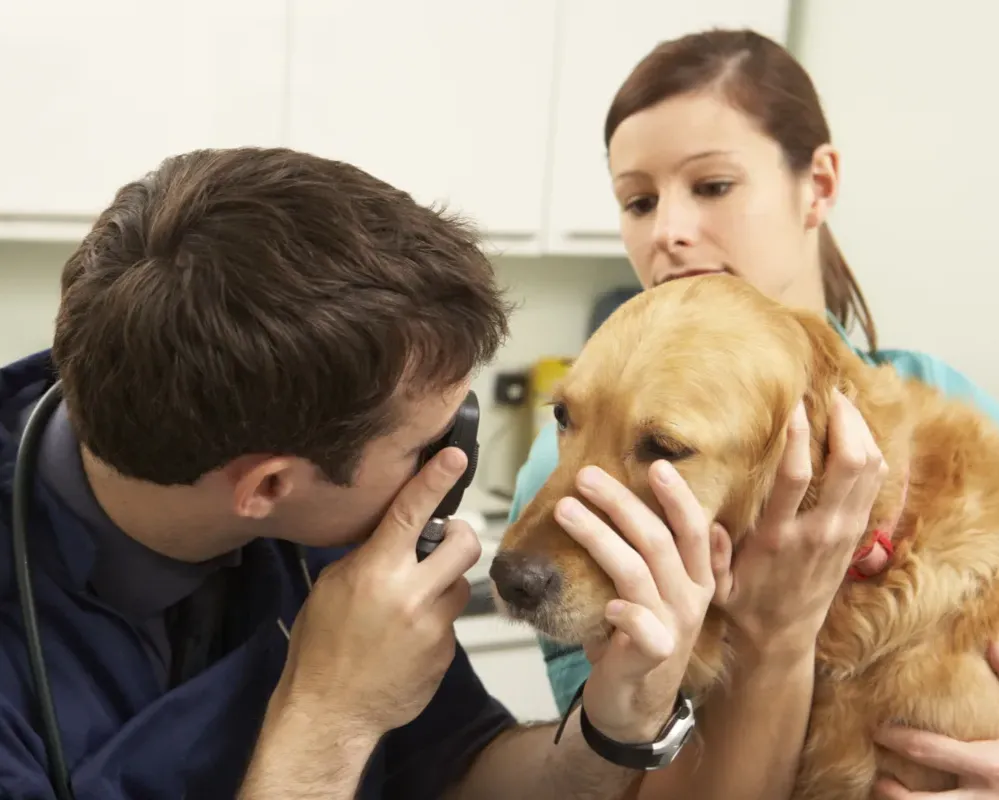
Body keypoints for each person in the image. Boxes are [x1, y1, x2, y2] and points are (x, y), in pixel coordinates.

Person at [0, 147, 718, 799]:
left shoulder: (322, 512)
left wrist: (615, 719)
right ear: (269, 486)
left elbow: (467, 774)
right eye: (425, 448)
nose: (448, 468)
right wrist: (331, 716)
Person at [508, 28, 999, 800]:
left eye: (711, 186)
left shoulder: (941, 399)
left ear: (819, 184)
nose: (665, 228)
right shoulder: (562, 465)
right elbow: (623, 780)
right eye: (638, 200)